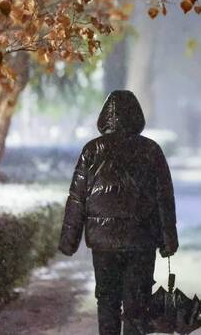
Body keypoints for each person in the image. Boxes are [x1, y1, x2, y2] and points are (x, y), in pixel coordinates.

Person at [58, 90, 179, 335]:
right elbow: (164, 198)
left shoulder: (92, 151)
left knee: (107, 302)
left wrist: (69, 242)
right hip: (141, 240)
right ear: (137, 116)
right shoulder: (151, 150)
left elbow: (77, 199)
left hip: (104, 245)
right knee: (137, 305)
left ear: (105, 117)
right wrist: (168, 240)